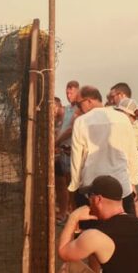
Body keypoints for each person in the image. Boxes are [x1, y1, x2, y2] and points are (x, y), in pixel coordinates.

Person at [68, 85, 138, 216]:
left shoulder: (81, 122)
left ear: (89, 101)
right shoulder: (122, 118)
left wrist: (74, 186)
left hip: (92, 187)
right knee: (125, 231)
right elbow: (132, 154)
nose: (78, 108)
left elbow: (76, 159)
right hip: (121, 185)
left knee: (92, 233)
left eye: (79, 104)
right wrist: (133, 181)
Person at [114, 98, 138, 226]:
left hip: (131, 175)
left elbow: (128, 155)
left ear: (129, 115)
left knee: (137, 208)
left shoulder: (130, 129)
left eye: (121, 112)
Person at [54, 81, 81, 221]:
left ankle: (72, 214)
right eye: (67, 92)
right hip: (62, 150)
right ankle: (65, 212)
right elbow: (62, 128)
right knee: (63, 183)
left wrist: (56, 142)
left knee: (72, 184)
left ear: (77, 91)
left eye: (71, 92)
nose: (68, 94)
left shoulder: (79, 109)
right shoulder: (68, 109)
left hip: (72, 150)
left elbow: (71, 130)